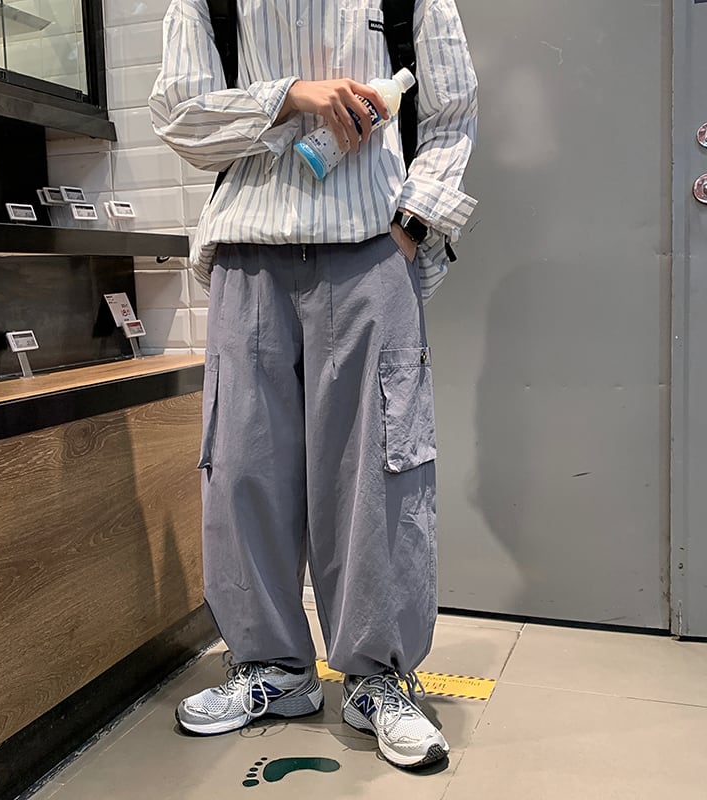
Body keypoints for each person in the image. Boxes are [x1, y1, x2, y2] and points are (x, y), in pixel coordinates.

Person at [149, 0, 477, 769]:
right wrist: (290, 96)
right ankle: (272, 668)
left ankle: (377, 677)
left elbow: (453, 114)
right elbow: (179, 116)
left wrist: (412, 228)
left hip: (369, 247)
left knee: (379, 471)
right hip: (247, 250)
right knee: (243, 467)